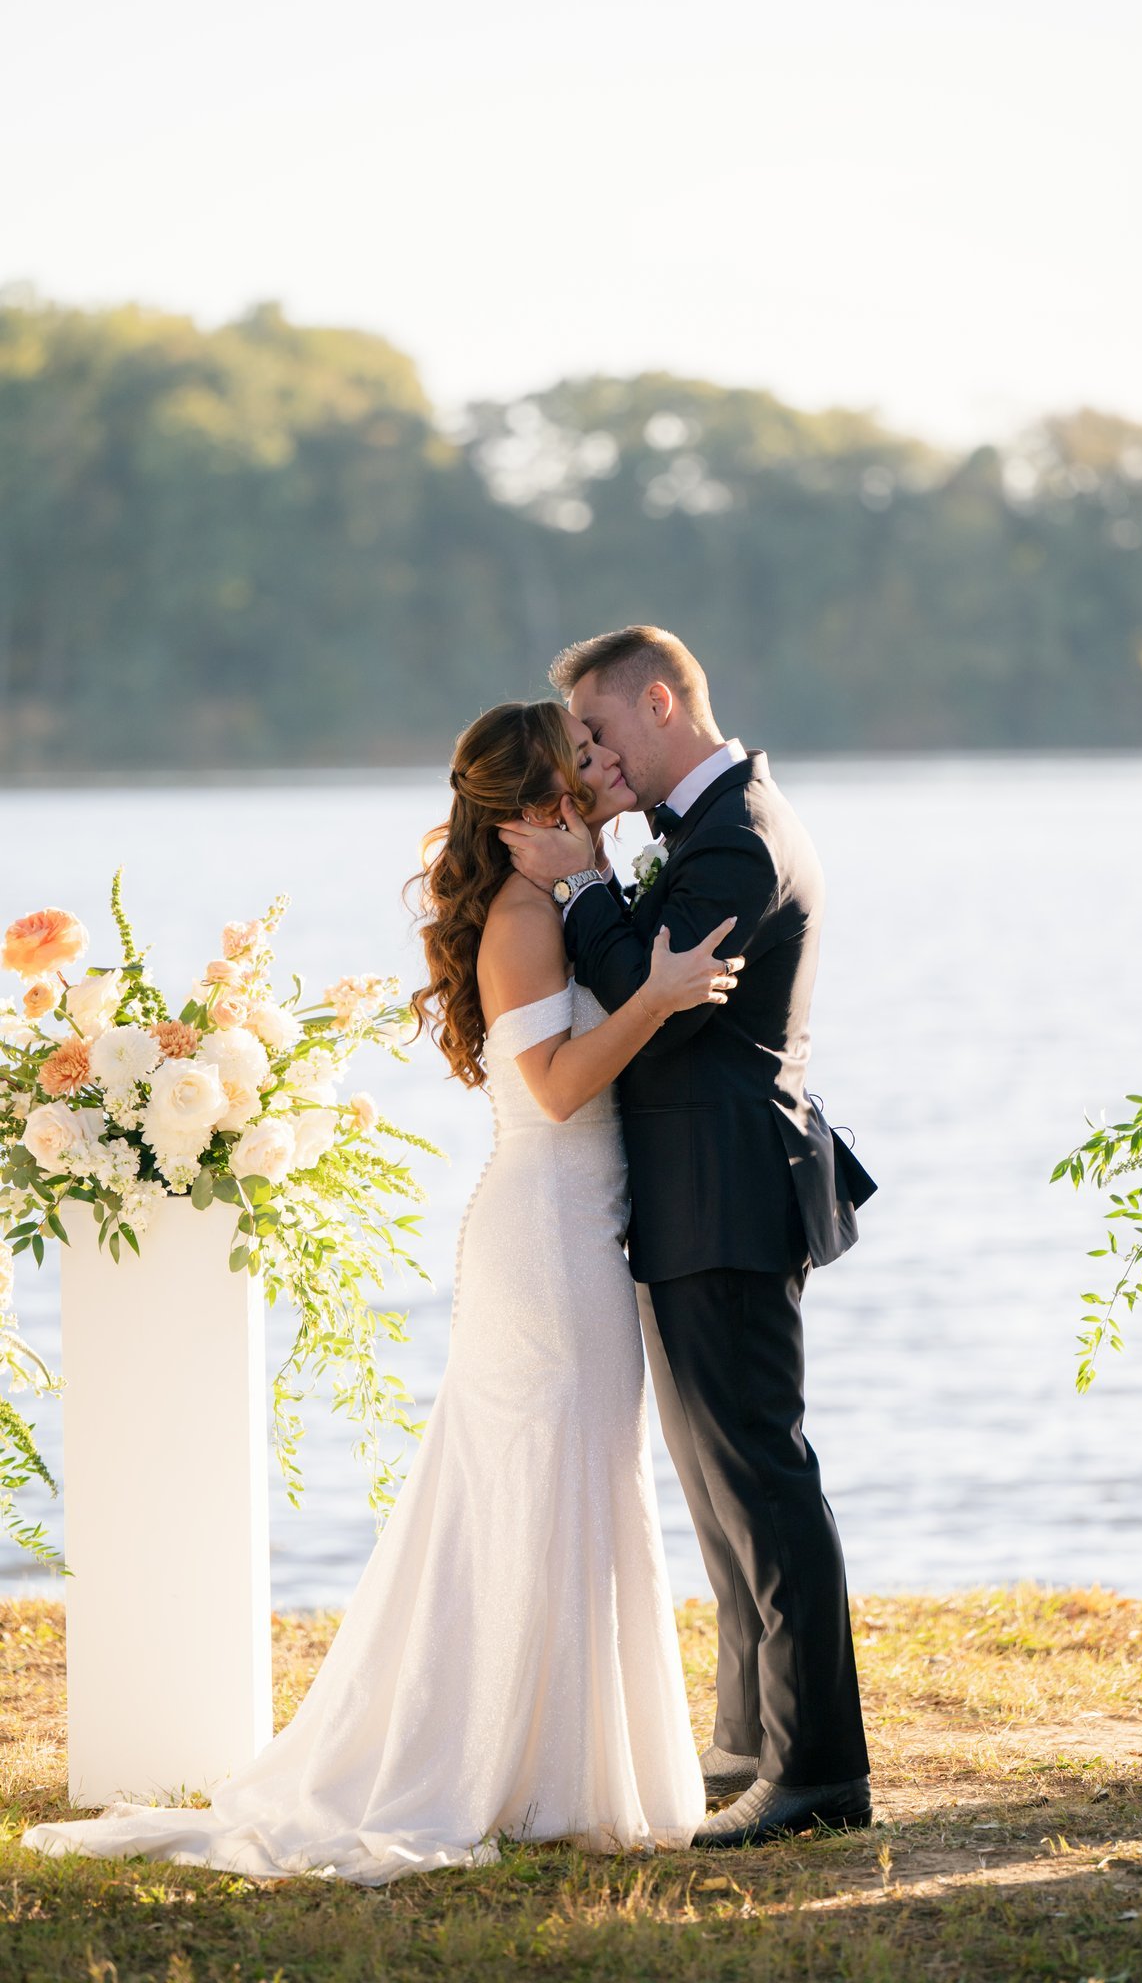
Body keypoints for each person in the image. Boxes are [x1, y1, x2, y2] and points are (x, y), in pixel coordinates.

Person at [23, 699, 739, 1883]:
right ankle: (513, 1765)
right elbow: (557, 1089)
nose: (606, 769)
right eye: (585, 762)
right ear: (539, 802)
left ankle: (561, 1760)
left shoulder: (555, 899)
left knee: (577, 1479)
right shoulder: (521, 918)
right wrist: (658, 998)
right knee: (546, 1480)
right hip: (547, 1236)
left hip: (573, 1224)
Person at [497, 626, 878, 1848]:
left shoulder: (741, 836)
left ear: (661, 700)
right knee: (720, 1486)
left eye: (601, 730)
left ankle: (819, 1768)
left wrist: (574, 882)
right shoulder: (701, 829)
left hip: (727, 1187)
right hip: (687, 1192)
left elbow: (637, 995)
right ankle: (751, 1738)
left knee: (763, 1476)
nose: (593, 757)